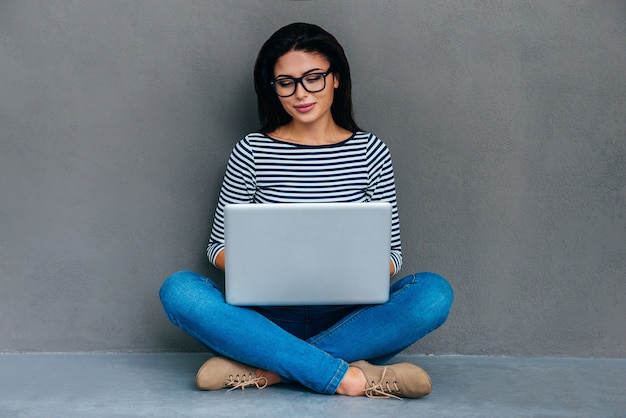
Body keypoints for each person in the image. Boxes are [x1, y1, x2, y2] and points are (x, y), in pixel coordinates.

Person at [159, 22, 453, 399]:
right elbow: (217, 248)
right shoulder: (251, 151)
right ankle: (351, 377)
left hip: (349, 317)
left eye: (313, 78)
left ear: (336, 79)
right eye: (286, 82)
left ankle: (271, 369)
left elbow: (392, 255)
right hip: (264, 318)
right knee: (180, 290)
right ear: (273, 88)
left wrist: (345, 270)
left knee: (433, 293)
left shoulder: (370, 152)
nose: (300, 93)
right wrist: (275, 269)